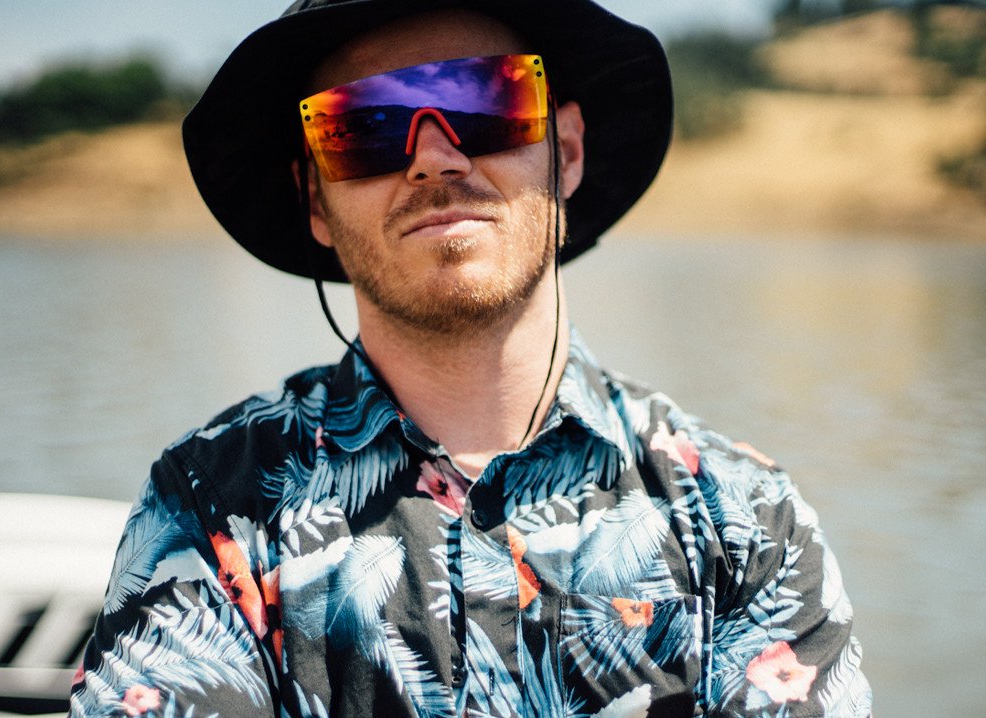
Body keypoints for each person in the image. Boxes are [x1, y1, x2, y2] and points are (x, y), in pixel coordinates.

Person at [71, 0, 872, 715]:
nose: (433, 158)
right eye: (366, 126)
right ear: (316, 199)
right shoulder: (213, 506)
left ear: (567, 150)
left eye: (483, 104)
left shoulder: (741, 519)